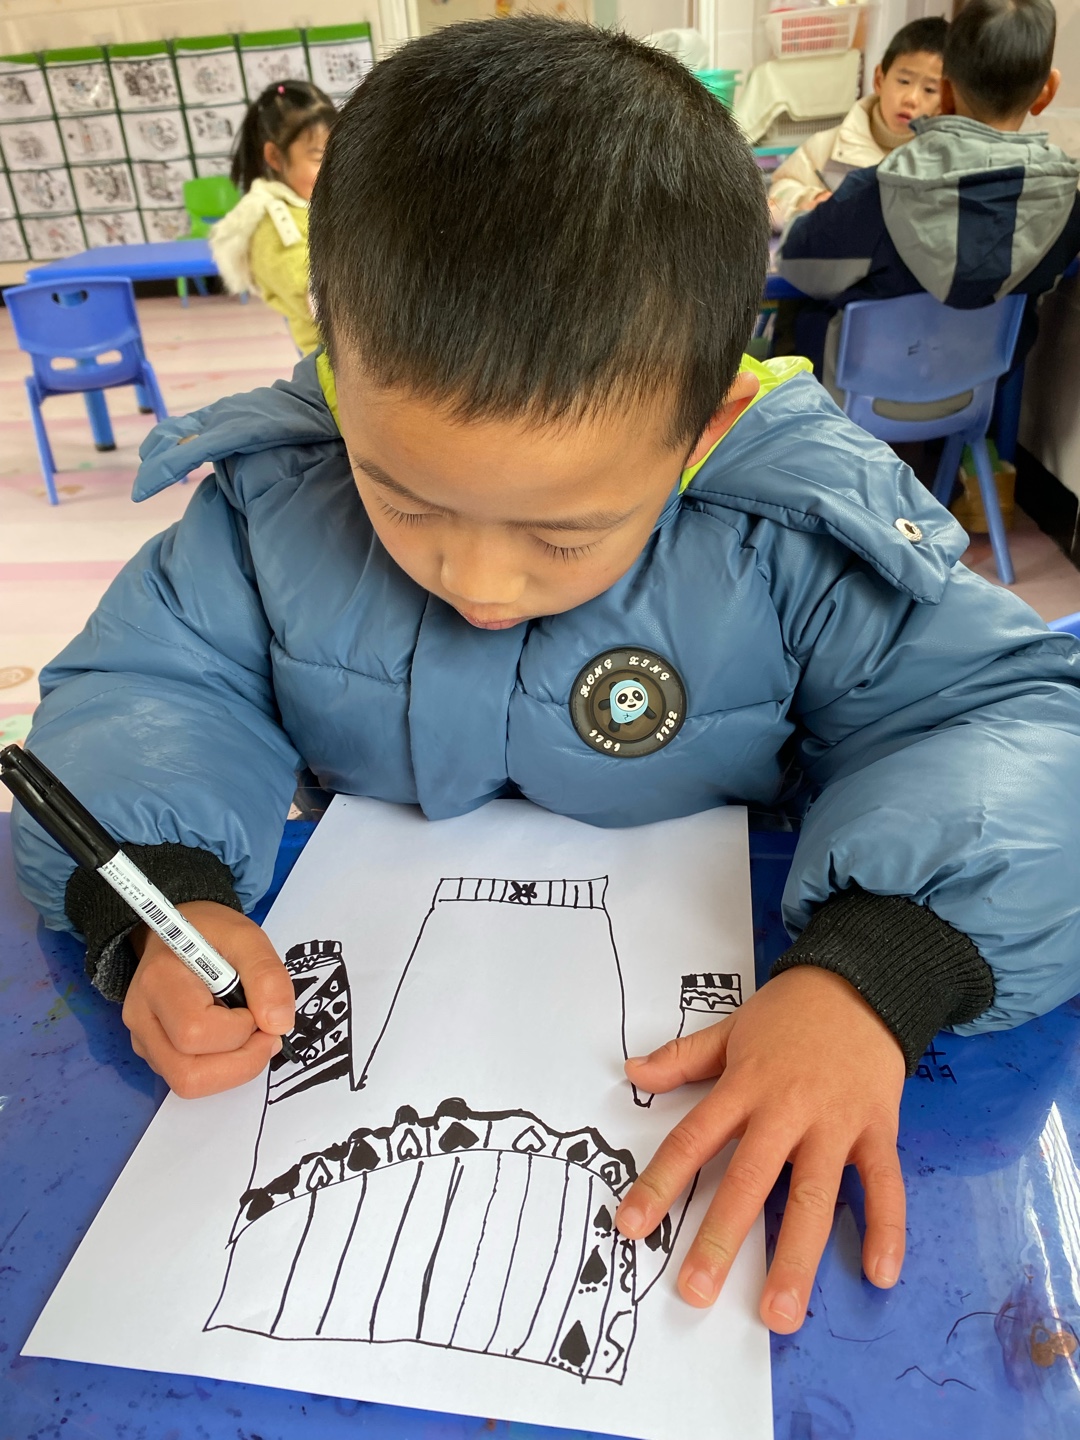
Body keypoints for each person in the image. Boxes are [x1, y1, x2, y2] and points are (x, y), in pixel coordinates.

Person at [12, 19, 1080, 1340]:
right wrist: (156, 901)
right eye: (405, 499)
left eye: (564, 534)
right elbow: (148, 691)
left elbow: (1022, 735)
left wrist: (878, 973)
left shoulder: (795, 533)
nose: (478, 581)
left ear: (705, 427)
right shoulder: (273, 502)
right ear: (341, 377)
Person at [776, 0, 1080, 390]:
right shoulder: (1068, 203)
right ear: (1047, 91)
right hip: (974, 400)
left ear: (946, 92)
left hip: (854, 403)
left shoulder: (881, 189)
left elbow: (795, 262)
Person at [768, 16, 947, 229]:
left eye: (929, 90)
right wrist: (807, 201)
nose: (911, 98)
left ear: (946, 101)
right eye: (904, 81)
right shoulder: (829, 145)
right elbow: (779, 192)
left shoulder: (943, 160)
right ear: (879, 80)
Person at [209, 79, 337, 355]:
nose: (332, 170)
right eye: (319, 158)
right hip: (335, 363)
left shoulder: (311, 205)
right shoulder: (274, 225)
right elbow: (322, 299)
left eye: (337, 155)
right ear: (275, 157)